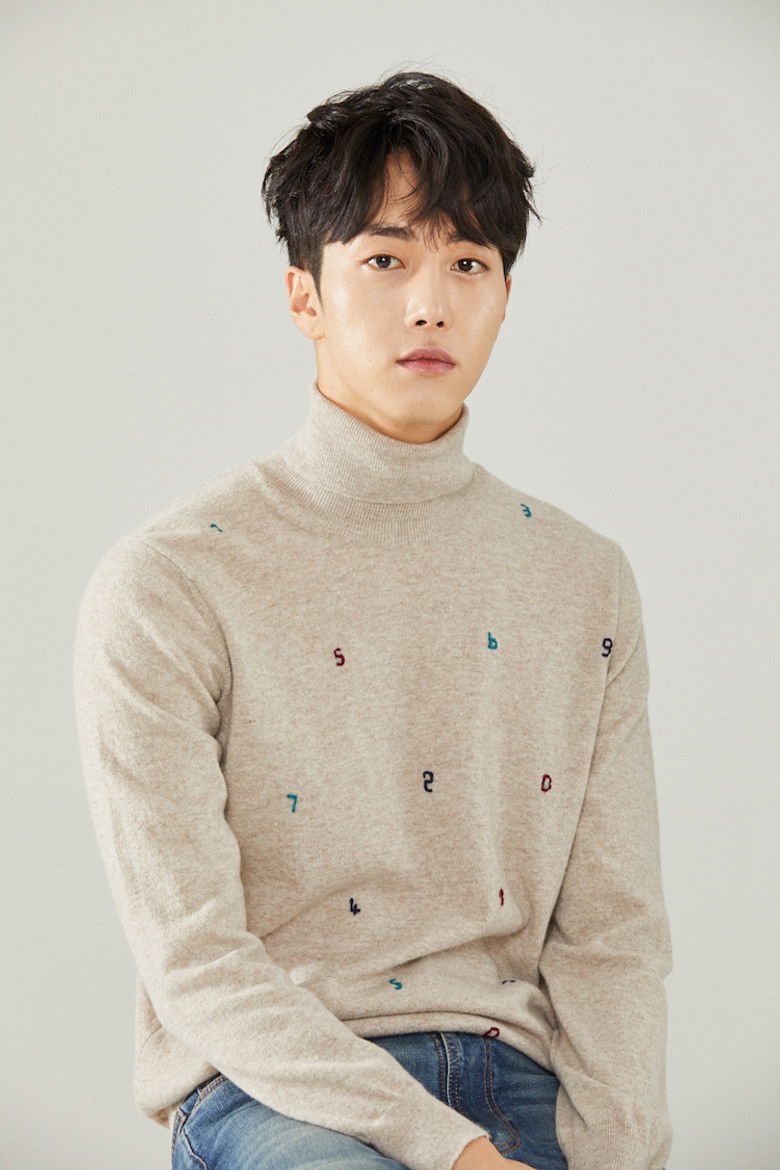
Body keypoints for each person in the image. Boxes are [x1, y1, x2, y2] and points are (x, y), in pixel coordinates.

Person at [72, 69, 673, 1170]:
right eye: (386, 259)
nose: (430, 303)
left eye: (468, 263)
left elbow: (613, 933)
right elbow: (195, 957)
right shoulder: (170, 580)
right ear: (304, 295)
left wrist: (620, 1154)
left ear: (504, 295)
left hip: (524, 1078)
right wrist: (450, 1154)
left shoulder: (584, 578)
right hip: (276, 1089)